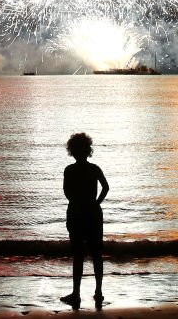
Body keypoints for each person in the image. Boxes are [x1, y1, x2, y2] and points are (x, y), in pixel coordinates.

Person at [60, 132, 109, 308]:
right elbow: (105, 187)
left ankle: (76, 293)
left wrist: (78, 203)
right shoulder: (94, 168)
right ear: (88, 150)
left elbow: (67, 193)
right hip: (93, 213)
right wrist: (96, 203)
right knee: (96, 254)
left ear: (72, 151)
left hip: (77, 213)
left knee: (78, 256)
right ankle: (98, 292)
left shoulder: (70, 170)